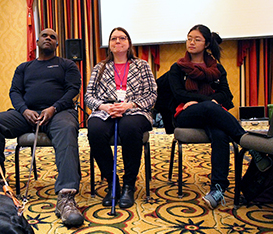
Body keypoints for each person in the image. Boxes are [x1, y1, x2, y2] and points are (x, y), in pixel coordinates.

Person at [0, 28, 84, 228]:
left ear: (57, 44)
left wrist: (54, 108)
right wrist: (24, 110)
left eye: (53, 37)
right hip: (27, 114)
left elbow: (73, 90)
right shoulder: (24, 67)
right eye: (45, 36)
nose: (48, 38)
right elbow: (15, 91)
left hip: (59, 112)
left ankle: (66, 197)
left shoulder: (67, 65)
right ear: (37, 42)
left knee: (67, 129)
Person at [168, 24, 271, 209]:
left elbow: (226, 95)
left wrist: (209, 102)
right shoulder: (178, 67)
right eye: (189, 38)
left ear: (207, 44)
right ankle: (248, 143)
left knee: (220, 134)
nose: (191, 42)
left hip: (211, 114)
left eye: (196, 39)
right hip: (185, 114)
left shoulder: (217, 68)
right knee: (210, 108)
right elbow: (178, 94)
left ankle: (218, 188)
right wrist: (206, 102)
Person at [85, 27, 157, 209]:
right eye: (114, 38)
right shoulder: (99, 68)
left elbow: (151, 94)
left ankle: (129, 185)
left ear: (129, 43)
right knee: (94, 129)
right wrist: (104, 106)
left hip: (135, 110)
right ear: (109, 44)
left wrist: (129, 105)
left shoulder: (142, 65)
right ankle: (112, 182)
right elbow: (89, 96)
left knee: (129, 127)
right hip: (106, 110)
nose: (118, 41)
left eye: (122, 38)